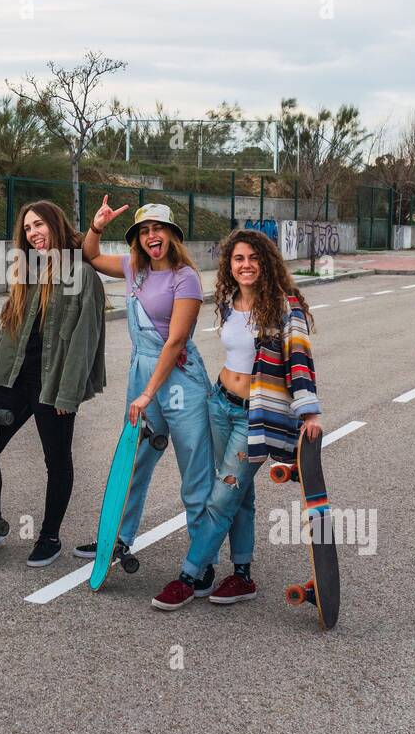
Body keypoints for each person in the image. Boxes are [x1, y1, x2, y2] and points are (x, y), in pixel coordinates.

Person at [150, 227, 322, 611]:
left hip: (254, 415)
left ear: (266, 262)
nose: (246, 265)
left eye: (253, 258)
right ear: (230, 265)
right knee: (239, 495)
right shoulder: (227, 301)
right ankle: (242, 575)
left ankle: (189, 575)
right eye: (238, 258)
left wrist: (309, 411)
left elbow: (299, 361)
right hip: (219, 404)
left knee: (223, 495)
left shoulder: (284, 306)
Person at [82, 198, 217, 582]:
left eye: (157, 229)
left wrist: (147, 394)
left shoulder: (185, 278)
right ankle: (118, 539)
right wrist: (97, 225)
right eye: (144, 231)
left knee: (194, 471)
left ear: (171, 234)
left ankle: (202, 562)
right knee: (135, 458)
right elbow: (90, 256)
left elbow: (175, 343)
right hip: (143, 373)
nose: (151, 236)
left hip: (178, 380)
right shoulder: (132, 268)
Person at [0, 201, 106, 567]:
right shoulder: (28, 271)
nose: (34, 233)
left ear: (56, 224)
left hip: (52, 384)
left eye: (40, 225)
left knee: (57, 460)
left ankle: (49, 537)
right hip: (15, 379)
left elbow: (85, 340)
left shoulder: (82, 274)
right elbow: (12, 328)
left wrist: (69, 393)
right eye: (28, 228)